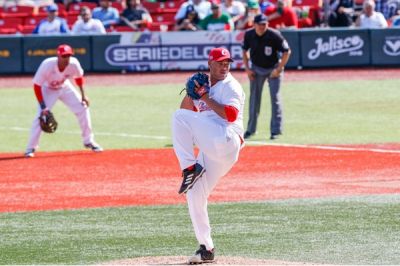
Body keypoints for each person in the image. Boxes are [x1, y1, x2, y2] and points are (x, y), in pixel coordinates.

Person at [171, 47, 245, 264]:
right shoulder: (203, 83)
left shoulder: (231, 86)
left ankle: (188, 167)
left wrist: (204, 96)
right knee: (194, 193)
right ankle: (207, 248)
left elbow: (230, 115)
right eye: (220, 62)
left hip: (226, 139)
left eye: (227, 62)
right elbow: (187, 111)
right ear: (210, 63)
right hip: (212, 150)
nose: (225, 66)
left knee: (177, 117)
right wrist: (191, 93)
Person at [24, 44, 103, 158]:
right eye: (64, 56)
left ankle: (88, 141)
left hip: (65, 87)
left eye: (68, 55)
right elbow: (37, 85)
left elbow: (79, 78)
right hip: (48, 89)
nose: (66, 58)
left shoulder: (73, 63)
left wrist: (83, 95)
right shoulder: (47, 65)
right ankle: (30, 148)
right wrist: (43, 107)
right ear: (58, 56)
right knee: (41, 116)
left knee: (83, 107)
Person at [242, 14, 291, 140]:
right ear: (254, 24)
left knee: (275, 98)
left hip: (273, 68)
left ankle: (275, 131)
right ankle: (250, 130)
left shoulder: (274, 34)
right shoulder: (249, 34)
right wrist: (247, 69)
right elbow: (244, 51)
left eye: (265, 24)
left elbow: (287, 51)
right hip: (256, 68)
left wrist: (278, 69)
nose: (262, 26)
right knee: (254, 99)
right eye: (260, 24)